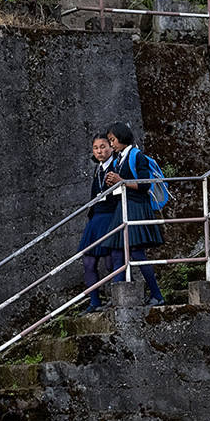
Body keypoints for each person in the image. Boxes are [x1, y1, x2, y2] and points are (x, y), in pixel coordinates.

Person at [102, 122, 165, 306]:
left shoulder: (136, 155)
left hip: (136, 206)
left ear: (122, 137)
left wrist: (121, 180)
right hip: (124, 206)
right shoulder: (118, 158)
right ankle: (118, 297)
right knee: (117, 252)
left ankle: (157, 294)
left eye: (112, 140)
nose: (111, 144)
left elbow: (145, 184)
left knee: (136, 252)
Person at [78, 135, 117, 315]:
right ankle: (94, 301)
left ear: (111, 147)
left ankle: (120, 296)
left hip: (111, 217)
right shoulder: (98, 169)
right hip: (96, 218)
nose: (100, 151)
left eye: (103, 147)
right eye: (96, 148)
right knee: (88, 261)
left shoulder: (117, 166)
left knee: (111, 262)